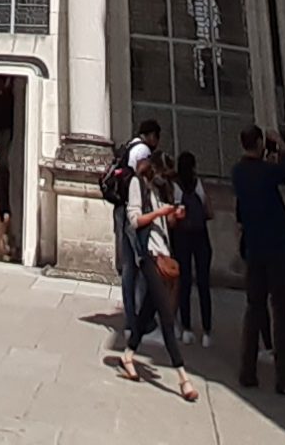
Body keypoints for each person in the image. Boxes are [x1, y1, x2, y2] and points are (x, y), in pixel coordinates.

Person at [115, 137, 199, 402]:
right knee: (166, 314)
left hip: (163, 253)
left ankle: (128, 354)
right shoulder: (136, 185)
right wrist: (161, 213)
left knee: (147, 312)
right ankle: (183, 378)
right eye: (165, 174)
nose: (167, 180)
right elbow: (135, 220)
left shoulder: (157, 191)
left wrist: (173, 215)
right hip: (149, 257)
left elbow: (164, 224)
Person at [231, 124, 285, 396]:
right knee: (281, 312)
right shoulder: (265, 171)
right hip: (276, 247)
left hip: (254, 247)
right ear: (260, 143)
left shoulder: (239, 172)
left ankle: (248, 370)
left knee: (254, 308)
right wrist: (280, 143)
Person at [110, 118, 160, 350]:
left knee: (129, 268)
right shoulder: (143, 151)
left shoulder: (129, 146)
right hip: (134, 210)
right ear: (151, 136)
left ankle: (131, 319)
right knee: (142, 267)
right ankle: (141, 320)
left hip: (122, 209)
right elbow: (142, 177)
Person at [173, 148, 215, 347]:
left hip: (182, 237)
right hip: (200, 236)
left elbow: (174, 216)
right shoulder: (198, 184)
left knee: (185, 283)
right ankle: (206, 331)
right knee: (204, 284)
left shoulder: (176, 187)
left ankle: (186, 328)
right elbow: (209, 212)